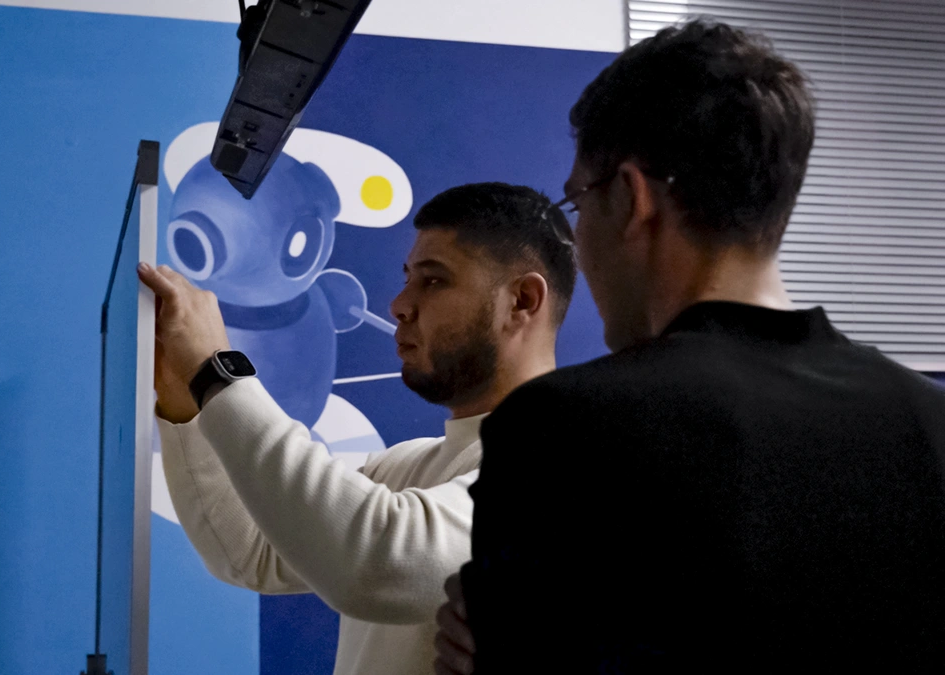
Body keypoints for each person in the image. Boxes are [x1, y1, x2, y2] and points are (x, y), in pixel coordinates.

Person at [435, 19, 945, 675]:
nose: (579, 240)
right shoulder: (928, 424)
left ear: (630, 197)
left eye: (578, 202)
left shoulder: (561, 428)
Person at [138, 182, 577, 675]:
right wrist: (184, 401)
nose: (400, 304)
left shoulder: (568, 467)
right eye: (408, 278)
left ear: (522, 300)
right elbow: (249, 552)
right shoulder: (406, 466)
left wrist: (217, 373)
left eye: (434, 281)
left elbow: (382, 566)